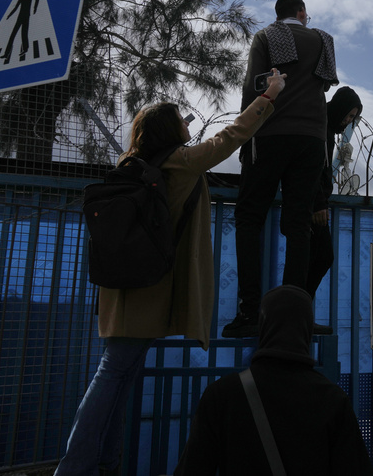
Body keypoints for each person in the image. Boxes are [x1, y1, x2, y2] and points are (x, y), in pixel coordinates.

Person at [54, 69, 286, 476]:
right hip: (144, 288)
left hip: (124, 287)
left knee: (120, 379)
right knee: (111, 377)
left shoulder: (136, 163)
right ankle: (74, 468)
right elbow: (229, 138)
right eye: (180, 119)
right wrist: (267, 97)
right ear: (169, 129)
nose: (187, 124)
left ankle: (103, 465)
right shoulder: (179, 163)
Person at [224, 0, 338, 338]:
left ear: (279, 14)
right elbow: (324, 85)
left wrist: (246, 138)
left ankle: (248, 313)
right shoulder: (323, 40)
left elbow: (252, 87)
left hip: (271, 133)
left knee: (249, 218)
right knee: (298, 225)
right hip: (311, 140)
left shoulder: (265, 37)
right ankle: (293, 316)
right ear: (301, 12)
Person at [174, 285, 373, 475]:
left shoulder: (222, 395)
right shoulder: (332, 399)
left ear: (264, 326)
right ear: (307, 329)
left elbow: (193, 468)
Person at [305, 87, 363, 305]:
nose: (348, 121)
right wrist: (319, 203)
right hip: (313, 205)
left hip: (317, 203)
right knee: (318, 258)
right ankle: (299, 310)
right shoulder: (320, 126)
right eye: (348, 115)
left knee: (318, 259)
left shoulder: (327, 129)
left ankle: (302, 310)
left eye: (353, 118)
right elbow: (313, 167)